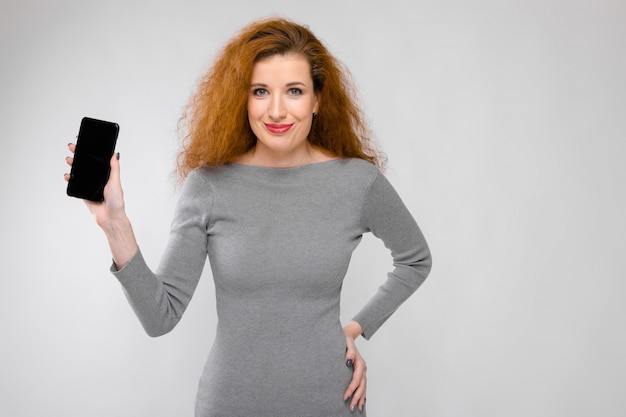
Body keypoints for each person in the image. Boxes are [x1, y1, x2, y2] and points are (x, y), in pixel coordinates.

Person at [64, 17, 431, 416]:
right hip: (229, 405)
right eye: (260, 91)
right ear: (243, 98)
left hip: (330, 402)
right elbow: (160, 316)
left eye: (294, 91)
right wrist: (114, 223)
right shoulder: (208, 186)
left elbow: (415, 259)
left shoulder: (358, 182)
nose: (276, 110)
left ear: (317, 100)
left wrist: (355, 328)